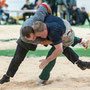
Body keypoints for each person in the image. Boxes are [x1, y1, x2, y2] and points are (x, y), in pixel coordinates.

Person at [0, 3, 89, 85]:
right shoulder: (26, 38)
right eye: (33, 39)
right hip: (36, 37)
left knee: (59, 45)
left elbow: (45, 5)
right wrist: (59, 39)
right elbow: (44, 42)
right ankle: (7, 76)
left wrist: (49, 14)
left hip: (46, 31)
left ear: (34, 30)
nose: (34, 39)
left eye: (34, 37)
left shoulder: (38, 18)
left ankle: (79, 61)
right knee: (18, 58)